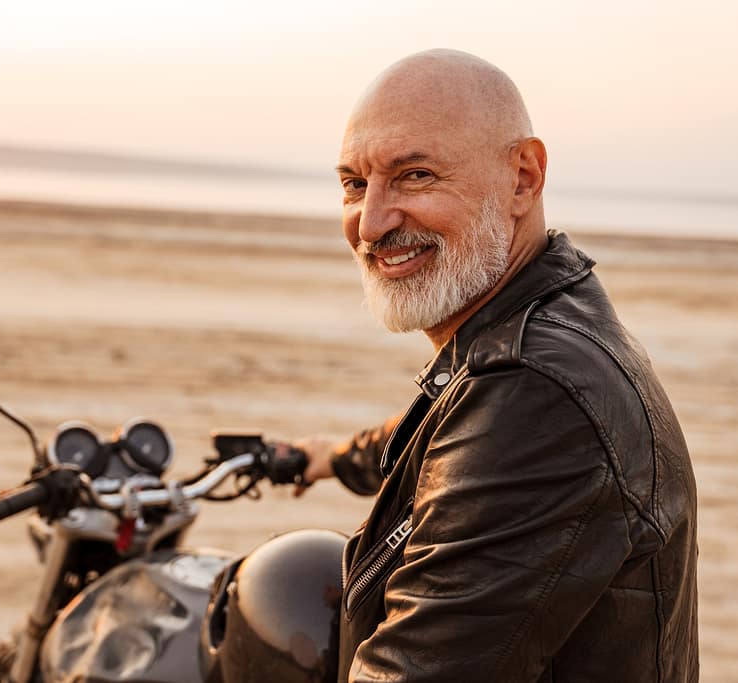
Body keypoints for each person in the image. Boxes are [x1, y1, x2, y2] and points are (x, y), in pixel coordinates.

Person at [293, 50, 699, 682]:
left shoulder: (535, 390)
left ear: (523, 178)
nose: (370, 222)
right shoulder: (541, 333)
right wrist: (331, 455)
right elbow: (450, 435)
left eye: (416, 175)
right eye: (353, 183)